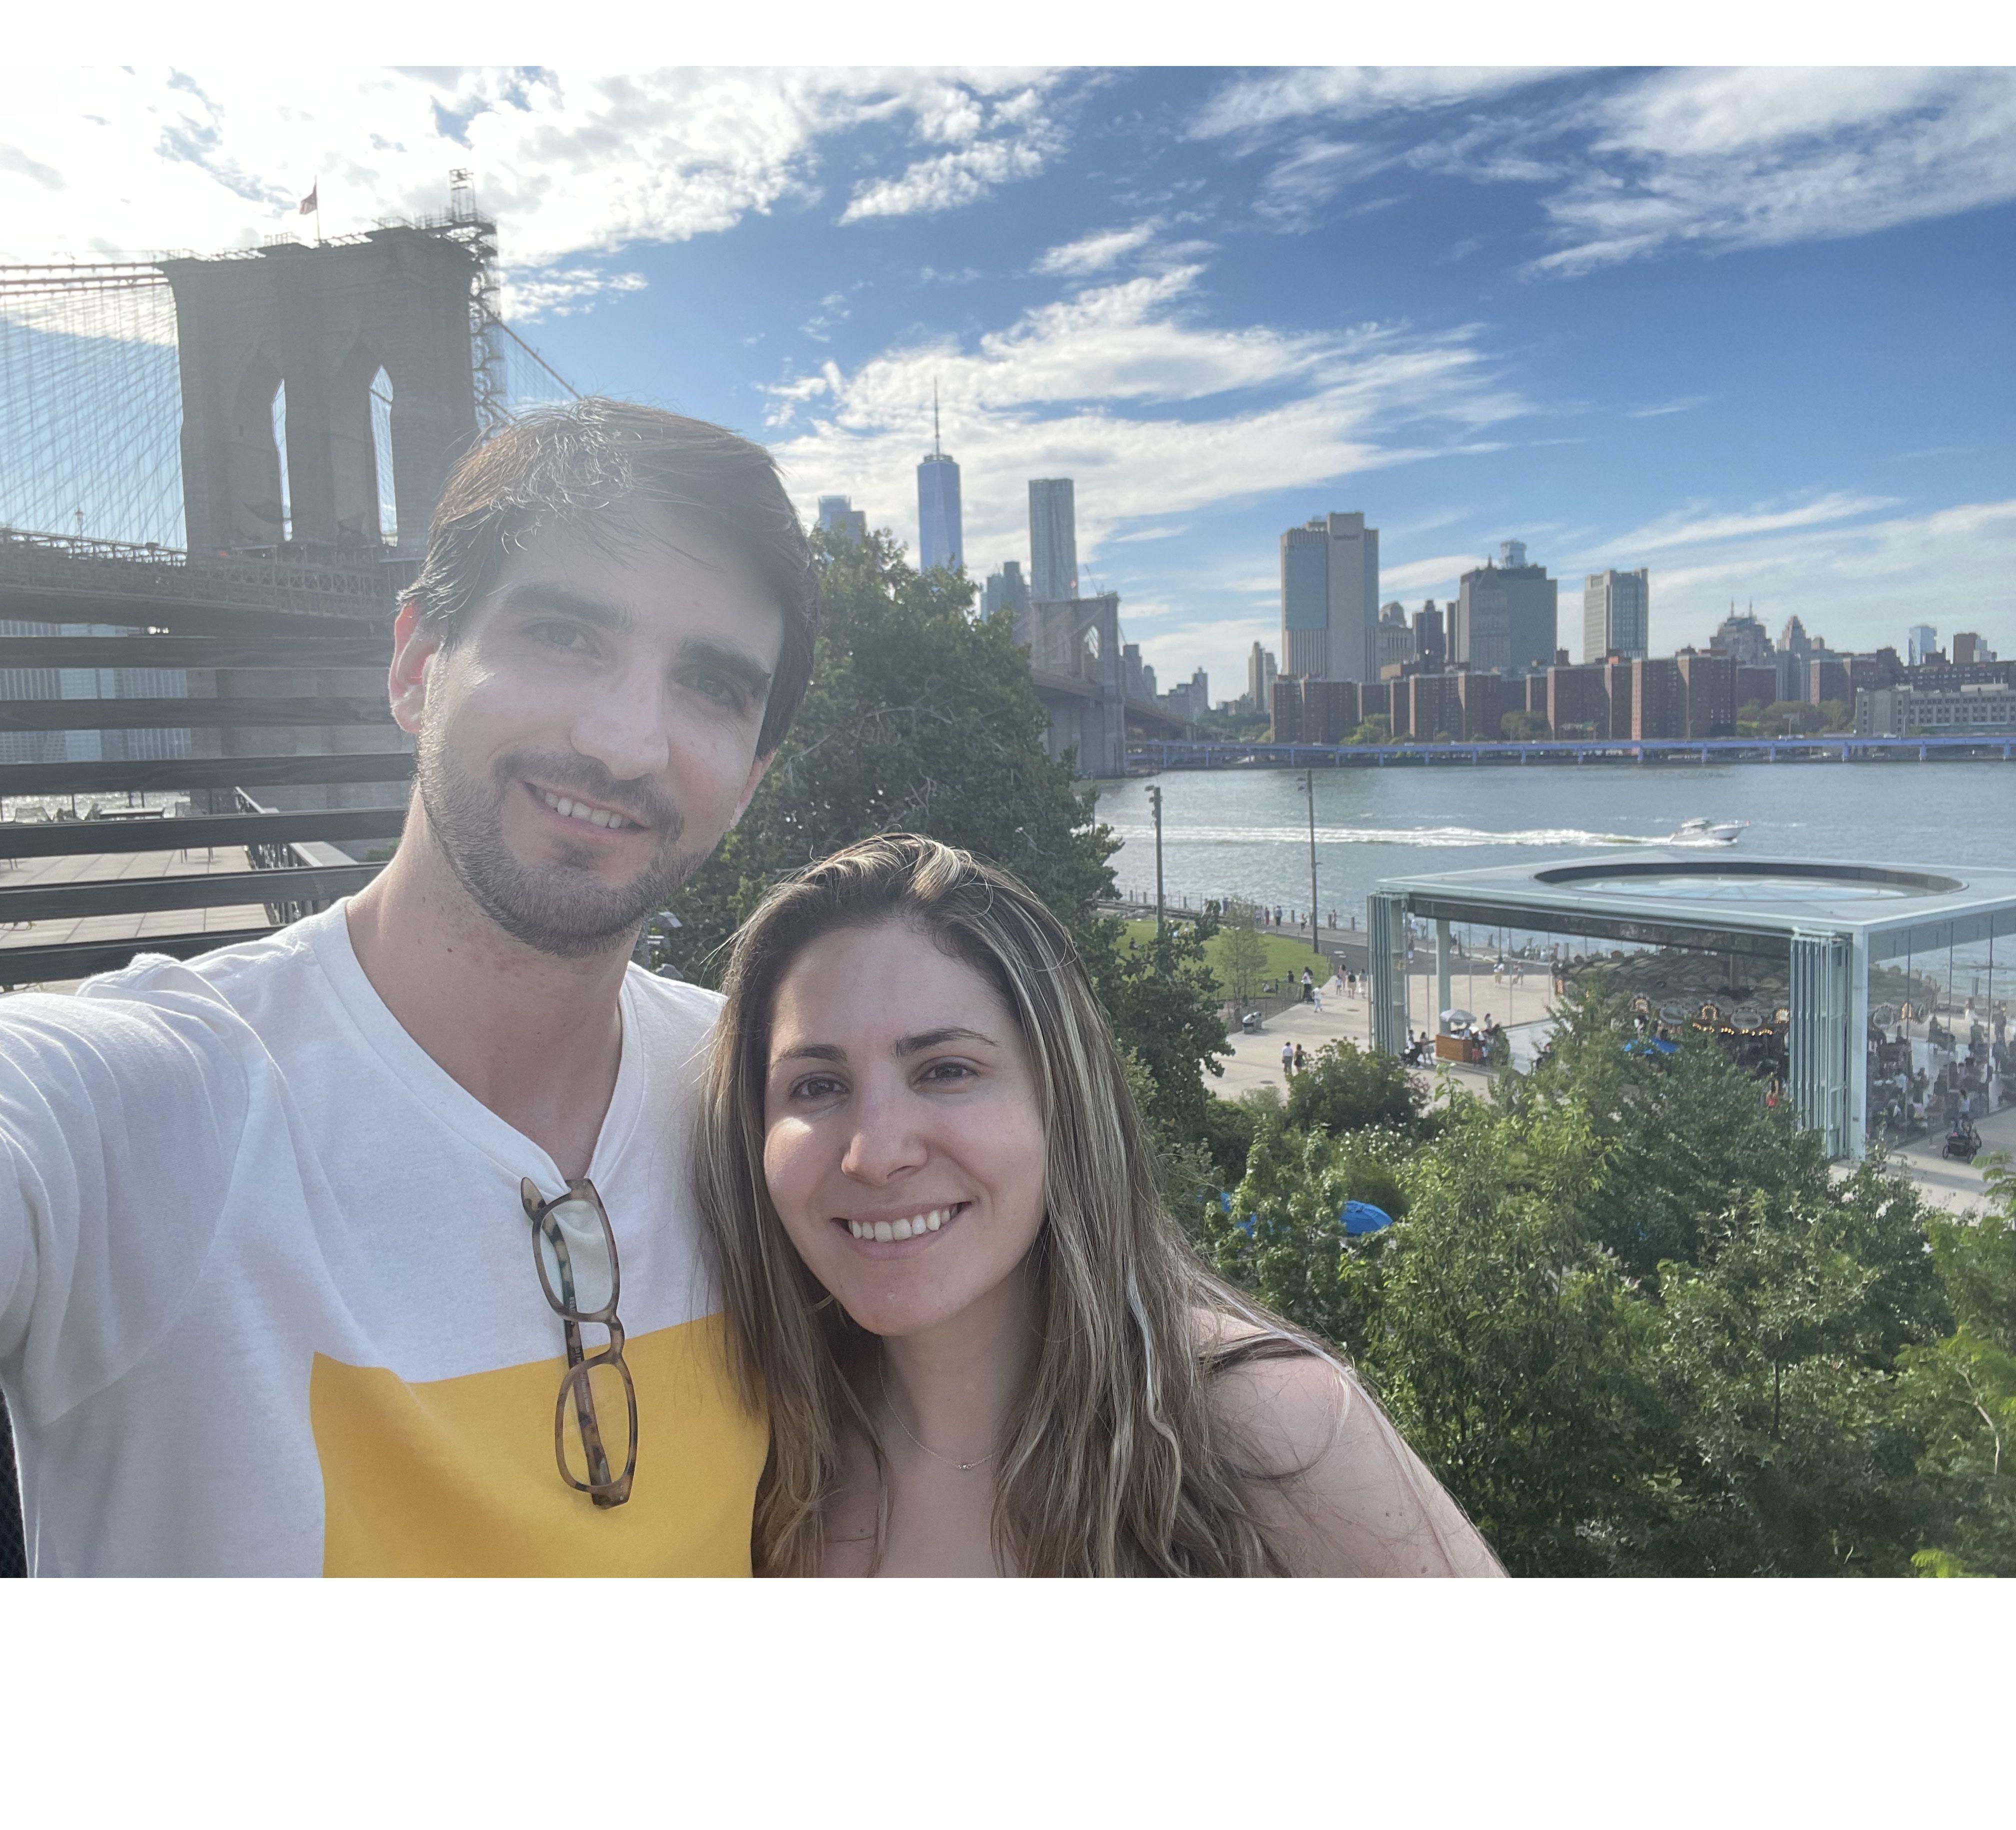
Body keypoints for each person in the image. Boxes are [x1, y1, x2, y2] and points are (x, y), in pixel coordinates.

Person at [0, 400, 818, 1576]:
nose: (624, 742)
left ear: (749, 777)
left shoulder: (771, 1104)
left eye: (711, 686)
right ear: (416, 667)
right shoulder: (159, 1110)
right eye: (564, 635)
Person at [695, 836, 1502, 1577]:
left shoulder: (1275, 1435)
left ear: (1062, 1102)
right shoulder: (755, 1466)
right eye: (817, 1086)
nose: (875, 1154)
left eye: (945, 1071)